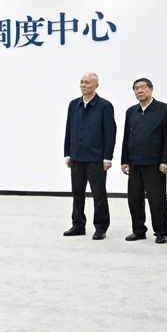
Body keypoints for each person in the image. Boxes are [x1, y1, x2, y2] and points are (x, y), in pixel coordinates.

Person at [119, 78, 167, 244]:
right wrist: (124, 160)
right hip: (134, 162)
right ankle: (138, 230)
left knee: (157, 200)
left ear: (151, 89)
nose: (139, 91)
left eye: (143, 87)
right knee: (134, 199)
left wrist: (166, 160)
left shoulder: (164, 109)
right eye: (136, 88)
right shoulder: (131, 111)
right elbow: (126, 136)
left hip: (155, 163)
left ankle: (161, 232)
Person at [63, 73, 116, 240]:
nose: (83, 85)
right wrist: (68, 153)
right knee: (77, 193)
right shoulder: (74, 104)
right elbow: (69, 130)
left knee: (99, 194)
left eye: (87, 82)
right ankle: (78, 225)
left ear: (96, 86)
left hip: (96, 158)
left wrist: (107, 158)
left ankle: (101, 227)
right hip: (76, 157)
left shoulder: (104, 106)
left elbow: (110, 133)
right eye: (81, 82)